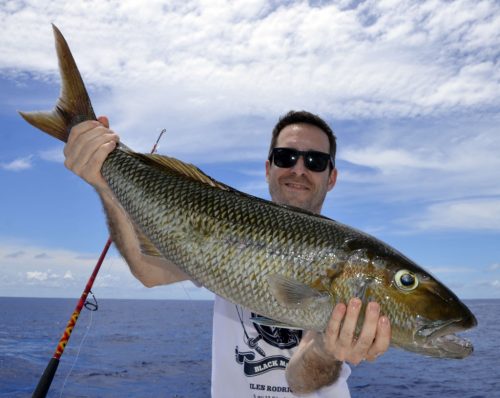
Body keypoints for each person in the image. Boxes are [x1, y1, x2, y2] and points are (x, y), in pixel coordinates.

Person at [64, 110, 391, 397]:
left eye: (315, 161)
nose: (299, 169)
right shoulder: (225, 226)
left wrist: (326, 350)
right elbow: (148, 271)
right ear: (268, 168)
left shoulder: (347, 262)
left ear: (331, 177)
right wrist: (106, 182)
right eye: (285, 157)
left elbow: (300, 381)